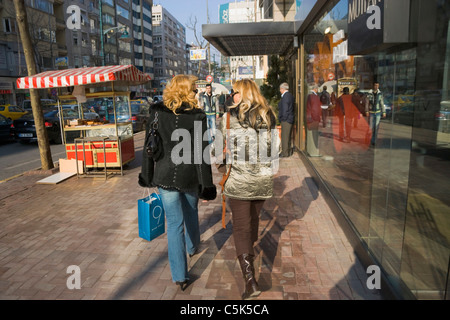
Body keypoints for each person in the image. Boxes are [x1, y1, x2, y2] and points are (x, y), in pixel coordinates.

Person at [138, 75, 217, 290]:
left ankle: (180, 276)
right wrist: (206, 185)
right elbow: (202, 155)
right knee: (190, 211)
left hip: (164, 175)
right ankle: (193, 247)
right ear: (184, 91)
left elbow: (149, 148)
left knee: (174, 224)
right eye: (193, 89)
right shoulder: (197, 116)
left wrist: (147, 175)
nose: (195, 93)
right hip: (189, 175)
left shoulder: (156, 112)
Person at [217, 79, 279, 300]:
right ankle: (250, 259)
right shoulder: (268, 116)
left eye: (234, 91)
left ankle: (250, 282)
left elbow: (217, 149)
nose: (232, 95)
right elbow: (274, 150)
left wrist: (223, 162)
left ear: (240, 94)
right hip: (262, 180)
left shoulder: (228, 118)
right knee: (252, 222)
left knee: (242, 228)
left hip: (239, 180)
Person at [366, 82, 386, 146]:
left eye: (378, 85)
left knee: (376, 127)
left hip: (378, 112)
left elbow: (382, 103)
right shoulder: (369, 93)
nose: (376, 87)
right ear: (373, 85)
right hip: (371, 112)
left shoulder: (380, 94)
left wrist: (384, 112)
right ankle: (368, 139)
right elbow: (367, 103)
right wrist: (366, 111)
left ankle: (374, 141)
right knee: (371, 127)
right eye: (375, 85)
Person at [278, 82, 294, 157]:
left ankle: (284, 153)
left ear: (282, 89)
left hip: (286, 120)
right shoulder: (290, 95)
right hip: (290, 118)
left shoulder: (285, 97)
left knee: (284, 136)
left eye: (280, 89)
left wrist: (283, 119)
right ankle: (288, 151)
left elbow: (285, 109)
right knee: (288, 136)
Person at [306, 84, 322, 156]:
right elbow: (315, 109)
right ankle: (314, 152)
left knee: (310, 136)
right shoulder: (314, 97)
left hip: (310, 118)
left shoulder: (309, 96)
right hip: (313, 119)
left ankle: (310, 151)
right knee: (314, 136)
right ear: (316, 89)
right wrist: (316, 119)